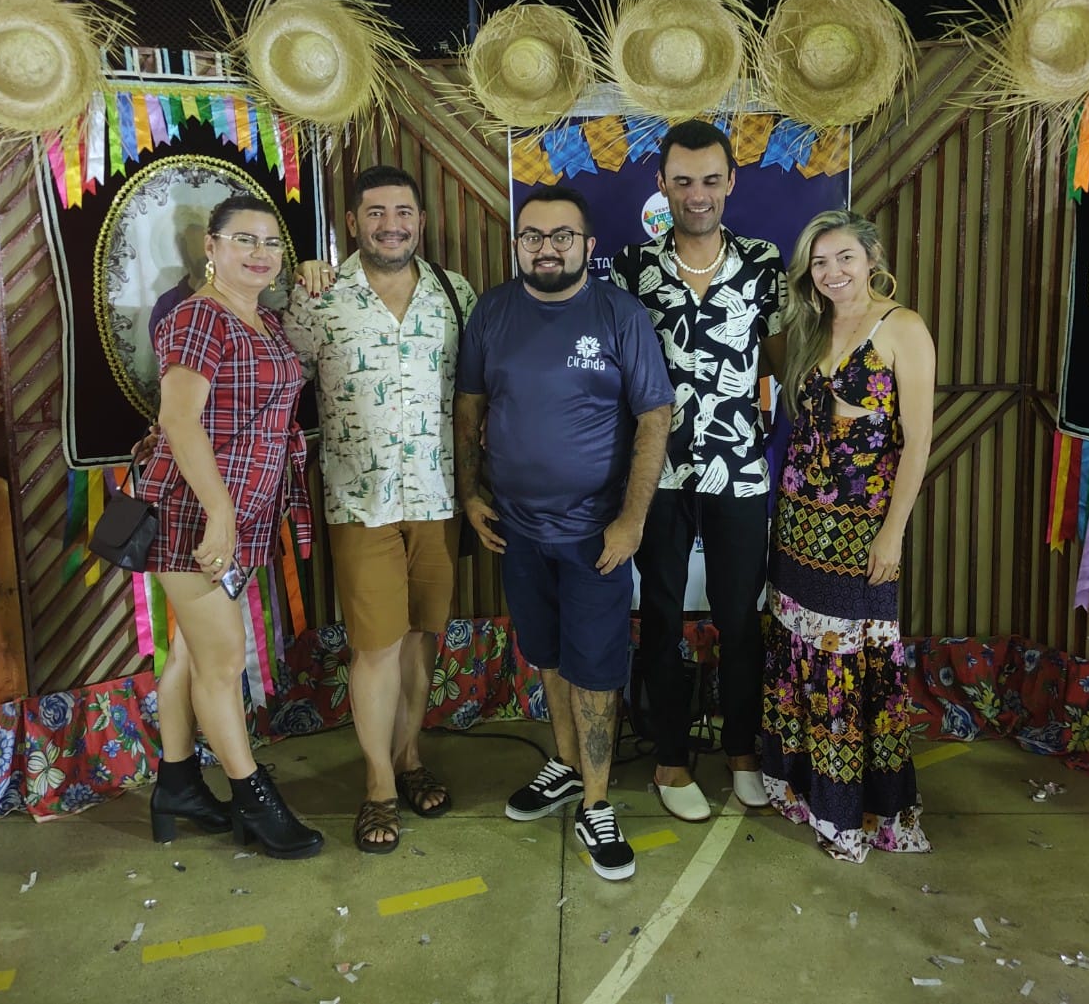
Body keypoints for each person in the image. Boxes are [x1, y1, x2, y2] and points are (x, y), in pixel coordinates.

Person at [454, 184, 673, 881]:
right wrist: (469, 492)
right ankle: (567, 764)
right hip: (516, 531)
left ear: (587, 245)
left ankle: (597, 802)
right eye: (533, 236)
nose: (546, 248)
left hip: (594, 537)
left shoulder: (618, 313)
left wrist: (632, 520)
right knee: (547, 655)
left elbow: (655, 417)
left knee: (596, 670)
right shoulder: (492, 312)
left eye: (561, 236)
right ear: (518, 243)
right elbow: (469, 407)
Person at [281, 164, 476, 854]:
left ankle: (410, 757)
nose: (391, 225)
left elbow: (475, 393)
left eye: (403, 212)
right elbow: (277, 380)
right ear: (352, 223)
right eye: (375, 213)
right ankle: (377, 786)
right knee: (375, 645)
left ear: (421, 219)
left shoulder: (455, 293)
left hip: (438, 495)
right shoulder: (320, 297)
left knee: (422, 636)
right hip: (359, 501)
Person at [136, 193, 323, 859]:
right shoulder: (198, 317)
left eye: (271, 242)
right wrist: (218, 513)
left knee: (191, 654)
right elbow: (179, 419)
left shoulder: (264, 319)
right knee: (220, 663)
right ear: (212, 248)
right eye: (244, 239)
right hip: (193, 514)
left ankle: (178, 782)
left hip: (240, 513)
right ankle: (254, 799)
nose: (259, 253)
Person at [608, 119, 785, 821]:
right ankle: (671, 757)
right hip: (658, 473)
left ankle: (742, 751)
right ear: (661, 184)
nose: (697, 194)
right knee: (659, 615)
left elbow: (784, 356)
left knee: (741, 617)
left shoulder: (764, 263)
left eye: (710, 179)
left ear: (731, 181)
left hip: (739, 468)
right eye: (682, 181)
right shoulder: (631, 267)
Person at [763, 209, 934, 863]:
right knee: (797, 651)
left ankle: (853, 811)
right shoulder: (808, 329)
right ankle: (801, 790)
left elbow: (917, 442)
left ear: (872, 258)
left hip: (862, 528)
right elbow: (755, 355)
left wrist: (893, 534)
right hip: (798, 522)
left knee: (851, 662)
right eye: (820, 262)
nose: (833, 272)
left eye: (845, 258)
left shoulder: (902, 328)